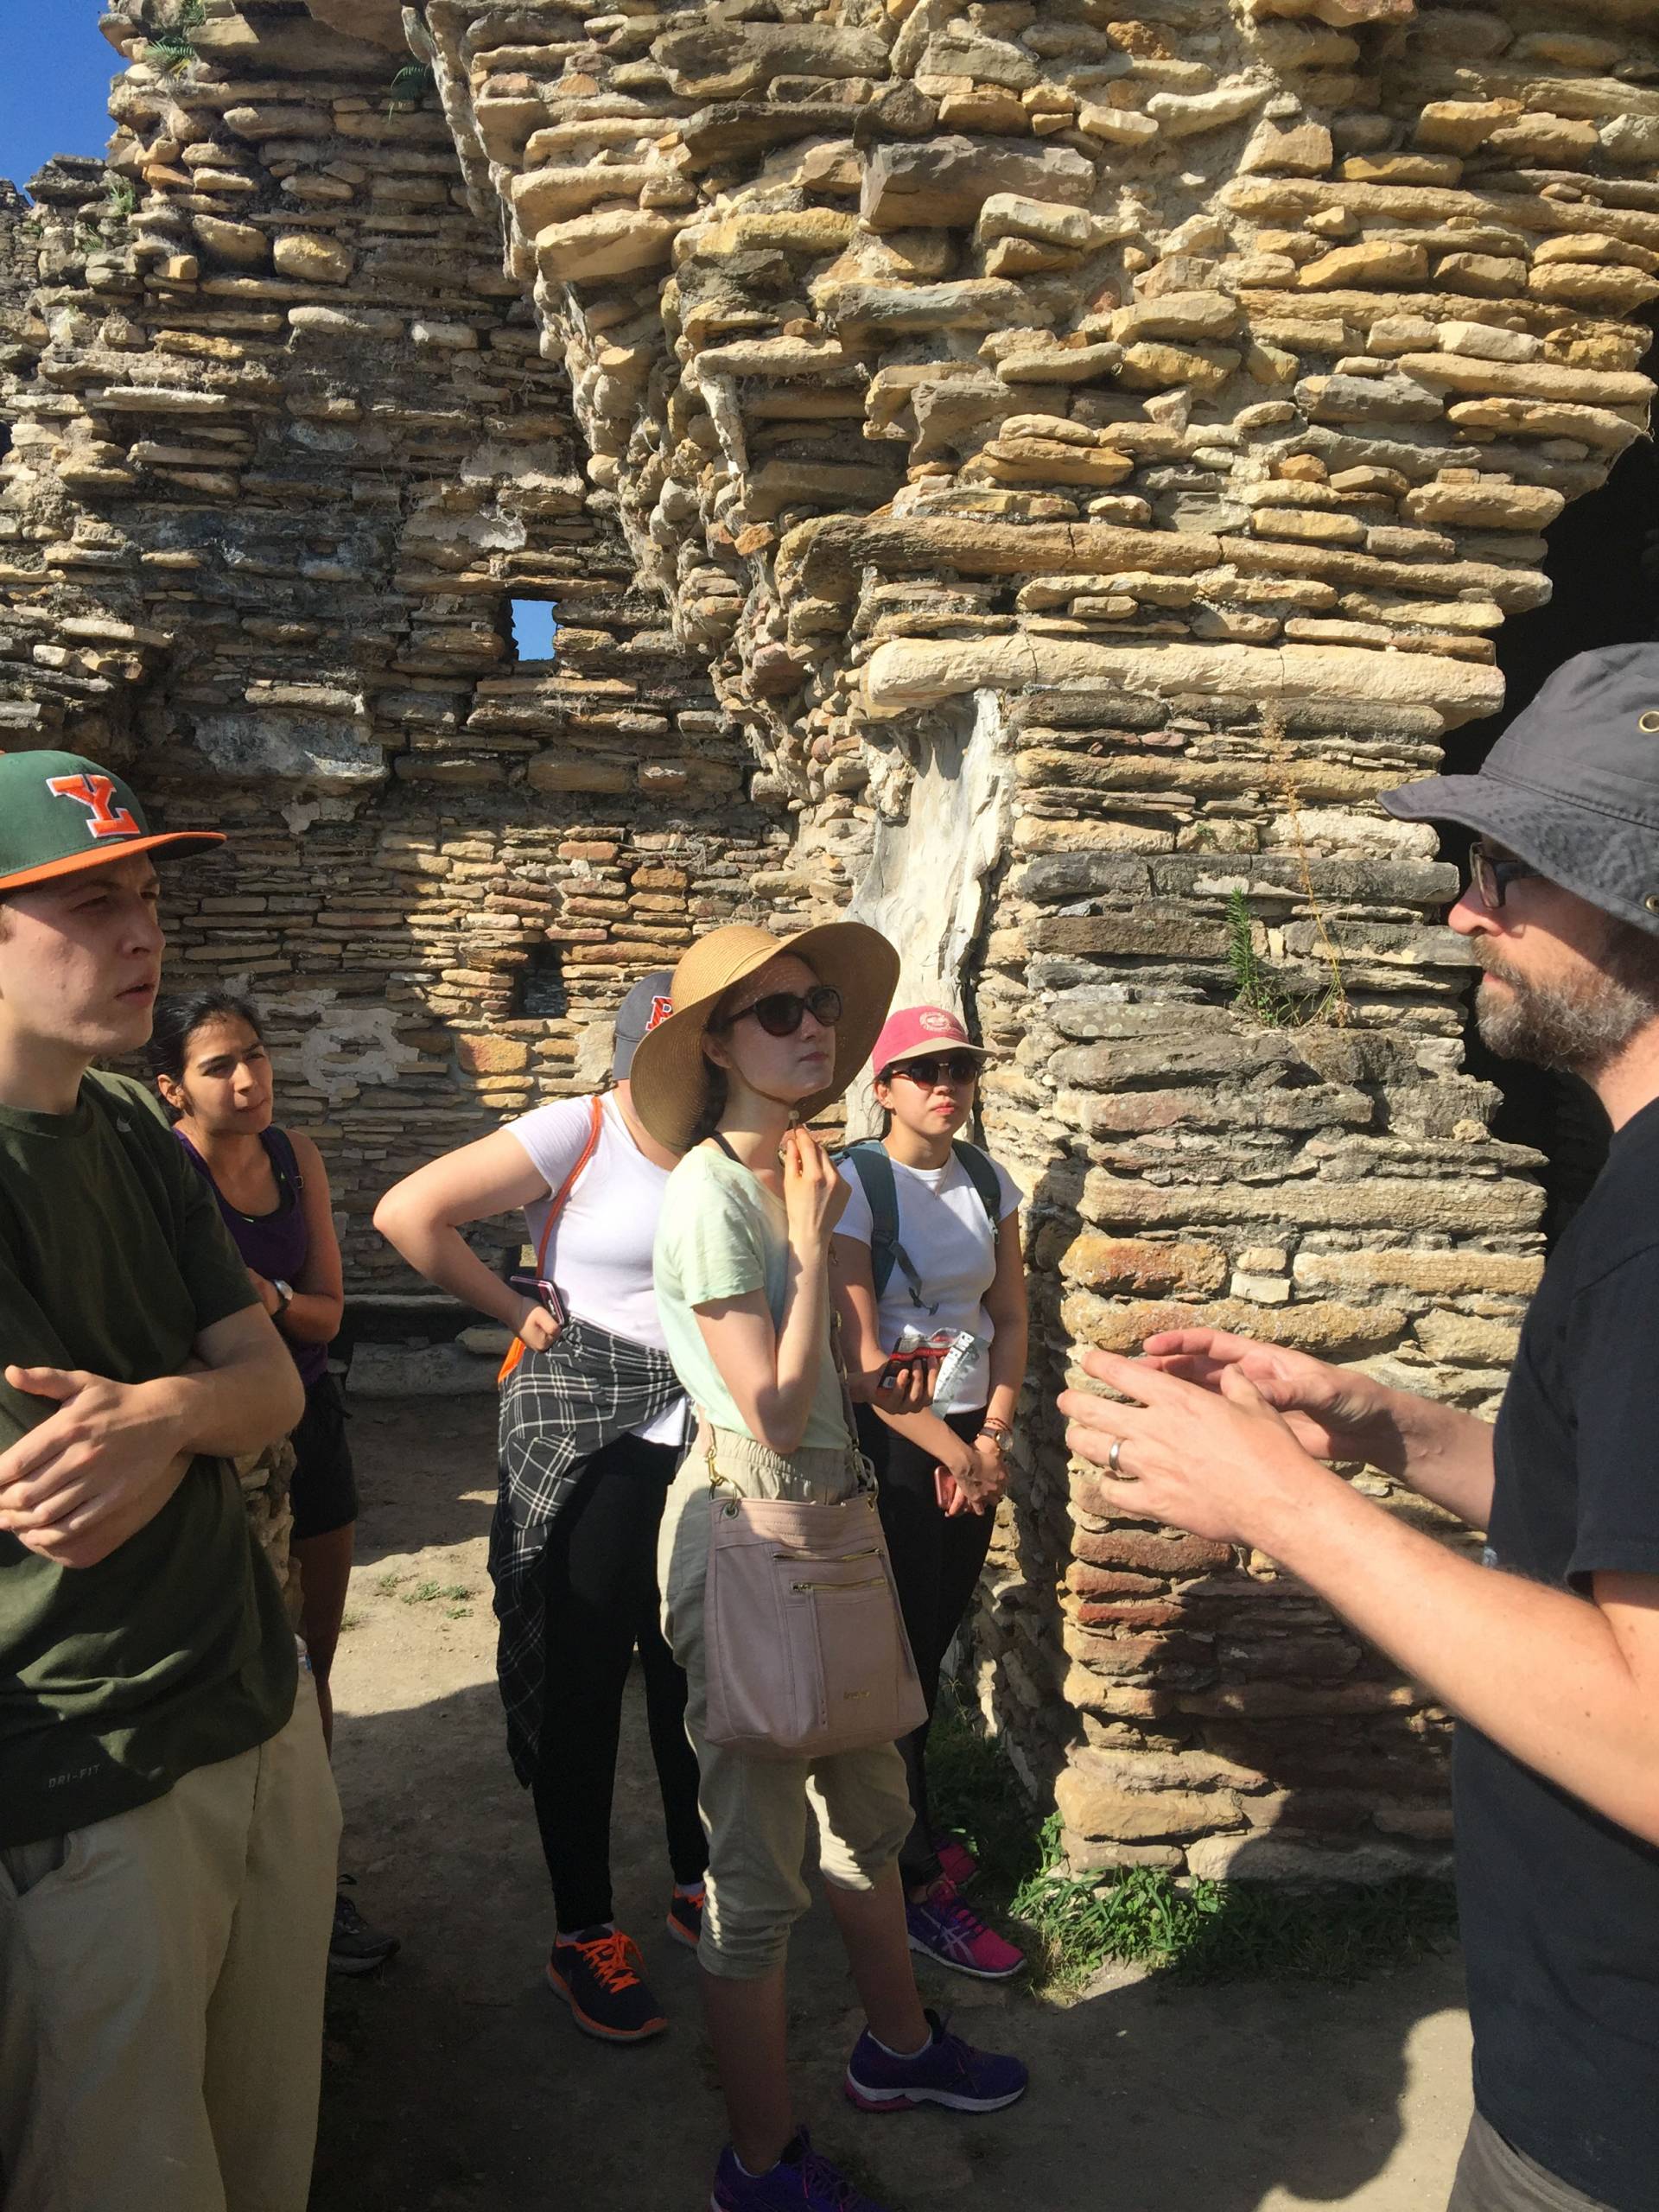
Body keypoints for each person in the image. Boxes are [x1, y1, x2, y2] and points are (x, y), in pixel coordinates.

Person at [1059, 644, 1659, 2212]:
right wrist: (1380, 1424)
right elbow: (1612, 1515)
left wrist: (1290, 1510)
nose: (1468, 912)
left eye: (1509, 872)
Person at [633, 924, 1027, 2212]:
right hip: (750, 1534)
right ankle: (756, 2162)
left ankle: (897, 2049)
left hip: (834, 1516)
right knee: (752, 1872)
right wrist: (807, 1247)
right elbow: (763, 1399)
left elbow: (832, 1387)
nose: (811, 1026)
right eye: (776, 1013)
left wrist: (890, 1382)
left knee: (873, 1823)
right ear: (717, 1047)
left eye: (818, 1006)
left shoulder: (805, 1169)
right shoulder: (712, 1192)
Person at [0, 750, 336, 2212]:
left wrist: (170, 1411)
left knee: (266, 2152)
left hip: (256, 1706)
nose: (142, 933)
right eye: (84, 903)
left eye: (144, 895)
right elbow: (65, 1494)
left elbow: (273, 1391)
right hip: (95, 1770)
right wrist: (199, 1416)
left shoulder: (136, 1126)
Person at [373, 974, 707, 2043]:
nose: (684, 1076)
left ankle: (698, 1880)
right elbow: (409, 1214)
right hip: (592, 1446)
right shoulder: (581, 1129)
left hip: (700, 1443)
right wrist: (518, 1309)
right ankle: (585, 1932)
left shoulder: (724, 1150)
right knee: (579, 1686)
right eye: (667, 1055)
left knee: (688, 1674)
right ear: (628, 1055)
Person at [148, 988, 397, 1977]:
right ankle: (228, 1889)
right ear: (171, 1086)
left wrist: (269, 1297)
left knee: (314, 1656)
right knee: (228, 1663)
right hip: (213, 1444)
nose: (248, 1079)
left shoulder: (295, 1158)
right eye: (218, 1066)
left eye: (254, 1055)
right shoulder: (160, 1169)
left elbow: (329, 1315)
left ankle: (313, 1879)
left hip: (310, 1421)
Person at [833, 1004, 1028, 1980]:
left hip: (969, 1439)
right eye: (921, 1071)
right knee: (901, 1655)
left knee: (933, 1634)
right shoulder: (858, 1183)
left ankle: (902, 1829)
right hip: (897, 1443)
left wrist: (990, 1436)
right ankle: (908, 1880)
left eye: (957, 1067)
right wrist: (954, 1454)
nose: (943, 1085)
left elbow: (1011, 1316)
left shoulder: (988, 1178)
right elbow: (862, 1358)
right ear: (884, 1087)